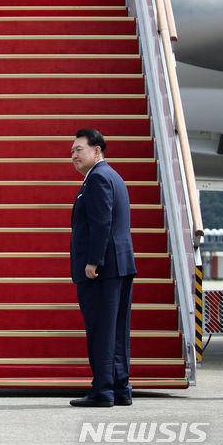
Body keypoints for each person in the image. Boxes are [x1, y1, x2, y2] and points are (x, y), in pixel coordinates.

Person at [69, 128, 136, 408]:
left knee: (101, 330)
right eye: (71, 151)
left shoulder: (97, 178)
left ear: (97, 150)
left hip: (103, 269)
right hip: (119, 266)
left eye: (78, 149)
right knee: (116, 330)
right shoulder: (112, 176)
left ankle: (103, 390)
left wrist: (93, 261)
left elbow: (101, 223)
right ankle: (120, 387)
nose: (73, 155)